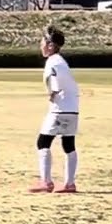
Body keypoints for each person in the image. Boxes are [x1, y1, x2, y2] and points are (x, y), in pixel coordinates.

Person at [31, 26, 79, 194]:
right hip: (72, 108)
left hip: (59, 108)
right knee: (68, 144)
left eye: (43, 42)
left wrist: (53, 92)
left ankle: (46, 181)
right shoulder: (61, 61)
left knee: (43, 142)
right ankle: (69, 183)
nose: (41, 45)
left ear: (50, 45)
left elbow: (55, 80)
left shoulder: (52, 61)